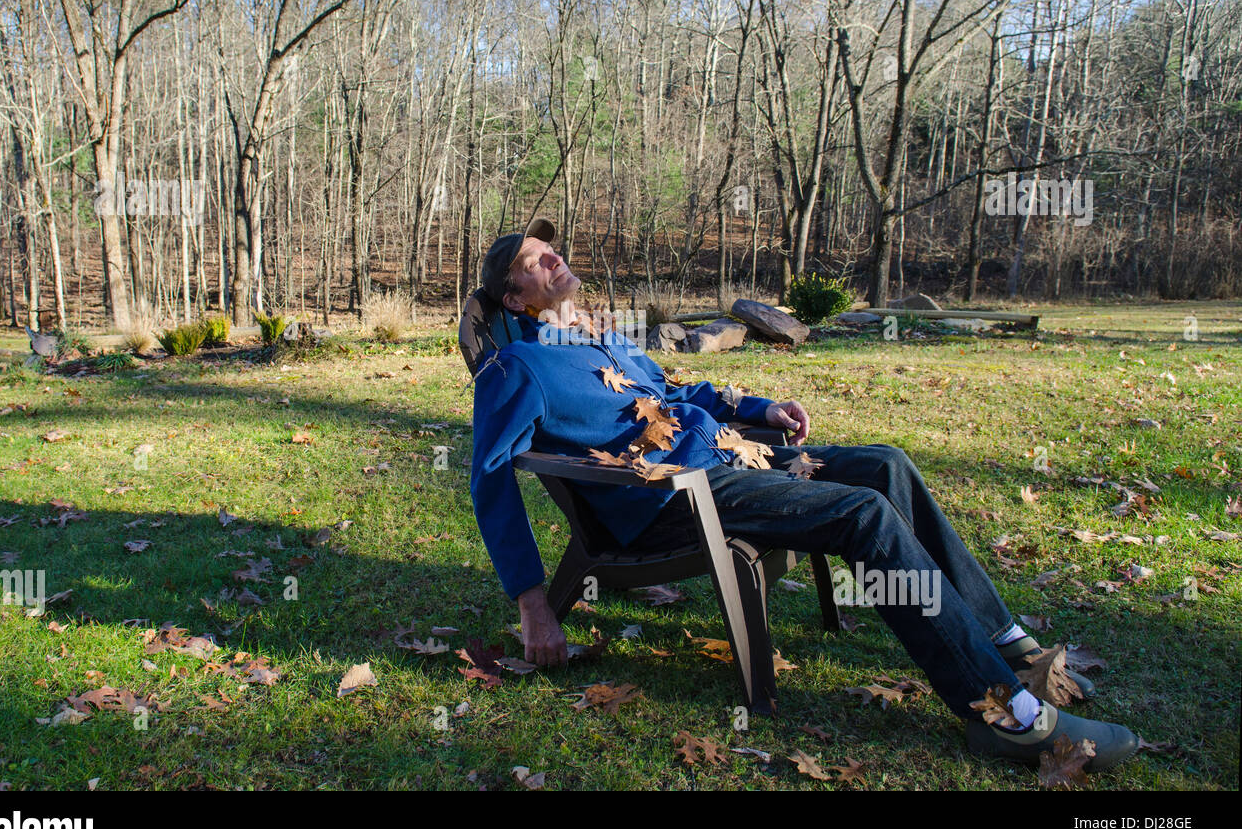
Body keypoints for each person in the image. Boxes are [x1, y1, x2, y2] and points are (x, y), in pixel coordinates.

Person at [468, 216, 1139, 773]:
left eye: (550, 247)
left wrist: (762, 409)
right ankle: (1006, 716)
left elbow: (676, 396)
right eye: (532, 259)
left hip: (731, 461)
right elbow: (490, 478)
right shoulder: (517, 368)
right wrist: (533, 604)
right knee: (863, 514)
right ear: (513, 298)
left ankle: (1008, 642)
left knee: (885, 466)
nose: (552, 255)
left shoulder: (604, 337)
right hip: (675, 501)